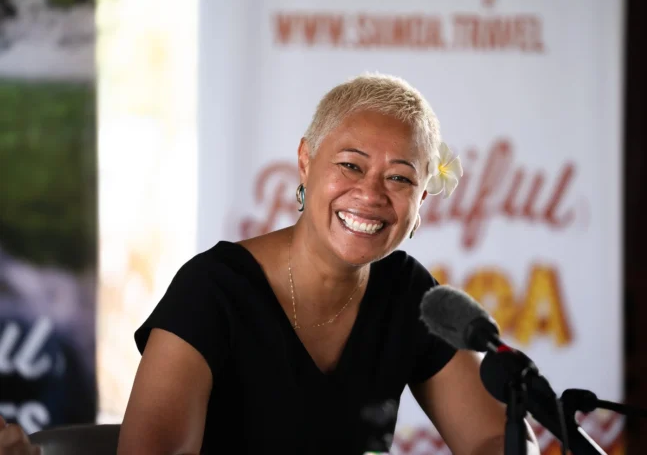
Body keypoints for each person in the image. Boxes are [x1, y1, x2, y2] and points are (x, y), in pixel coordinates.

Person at [117, 73, 541, 455]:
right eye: (351, 166)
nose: (371, 194)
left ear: (421, 199)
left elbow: (495, 438)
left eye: (399, 178)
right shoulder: (212, 289)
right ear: (305, 161)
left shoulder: (408, 292)